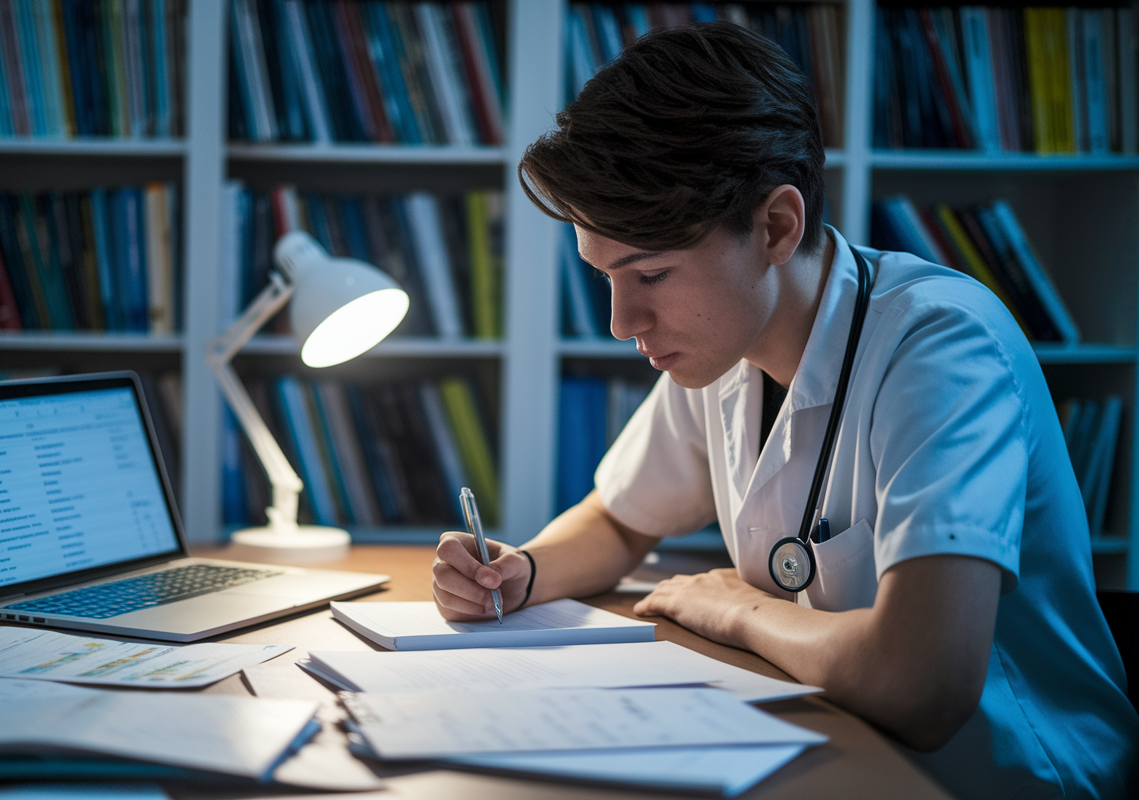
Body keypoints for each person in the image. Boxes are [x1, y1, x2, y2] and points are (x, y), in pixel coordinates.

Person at [430, 21, 1138, 800]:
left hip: (1004, 780)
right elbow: (620, 518)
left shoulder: (941, 349)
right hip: (833, 746)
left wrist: (739, 610)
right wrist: (520, 573)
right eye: (605, 277)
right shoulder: (728, 345)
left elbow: (921, 685)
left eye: (652, 275)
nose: (620, 321)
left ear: (775, 227)